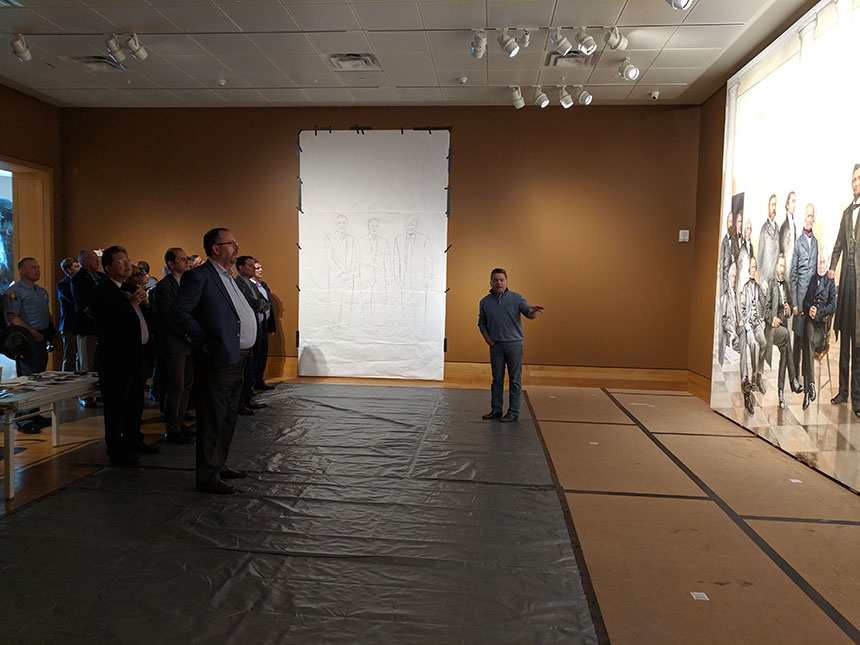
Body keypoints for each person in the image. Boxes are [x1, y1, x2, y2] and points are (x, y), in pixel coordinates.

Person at [170, 228, 256, 495]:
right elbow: (179, 311)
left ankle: (219, 464)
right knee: (213, 417)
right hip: (218, 359)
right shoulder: (200, 276)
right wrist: (203, 341)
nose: (236, 247)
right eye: (231, 243)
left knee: (228, 417)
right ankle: (207, 475)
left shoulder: (228, 277)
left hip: (237, 358)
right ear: (216, 248)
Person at [89, 246, 159, 465]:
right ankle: (117, 449)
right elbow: (111, 323)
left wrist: (146, 304)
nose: (128, 264)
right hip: (115, 358)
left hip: (137, 355)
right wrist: (133, 304)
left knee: (135, 402)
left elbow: (149, 319)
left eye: (128, 260)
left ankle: (134, 440)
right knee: (116, 406)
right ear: (108, 268)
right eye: (121, 261)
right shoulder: (101, 291)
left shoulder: (131, 287)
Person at [477, 268, 544, 422]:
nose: (499, 282)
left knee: (514, 380)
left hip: (514, 346)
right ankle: (496, 410)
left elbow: (528, 313)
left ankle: (513, 411)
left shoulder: (517, 298)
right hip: (496, 347)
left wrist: (533, 311)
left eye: (501, 280)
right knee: (497, 379)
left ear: (507, 281)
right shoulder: (485, 302)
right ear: (491, 282)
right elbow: (481, 323)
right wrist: (488, 339)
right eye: (495, 280)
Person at [3, 257, 53, 433]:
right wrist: (32, 334)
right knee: (28, 380)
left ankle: (34, 414)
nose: (37, 270)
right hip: (26, 340)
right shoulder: (15, 292)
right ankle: (23, 420)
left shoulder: (40, 291)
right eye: (33, 267)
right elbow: (12, 317)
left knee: (39, 378)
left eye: (38, 267)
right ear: (22, 271)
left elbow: (46, 313)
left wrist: (51, 331)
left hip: (41, 337)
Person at [152, 247, 195, 445]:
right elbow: (168, 315)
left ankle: (180, 422)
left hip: (187, 342)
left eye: (187, 259)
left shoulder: (186, 284)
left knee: (185, 385)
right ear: (171, 264)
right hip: (173, 342)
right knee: (175, 386)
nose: (187, 262)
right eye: (183, 259)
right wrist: (186, 333)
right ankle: (172, 428)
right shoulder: (164, 286)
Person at [829, 163, 860, 415]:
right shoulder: (847, 212)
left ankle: (858, 399)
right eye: (853, 179)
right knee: (846, 338)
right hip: (846, 284)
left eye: (859, 178)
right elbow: (839, 244)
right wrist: (831, 267)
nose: (856, 183)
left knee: (858, 342)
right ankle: (843, 391)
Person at [802, 250, 836, 410]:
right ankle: (811, 385)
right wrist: (810, 310)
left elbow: (833, 306)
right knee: (807, 338)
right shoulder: (813, 278)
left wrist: (819, 313)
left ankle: (808, 388)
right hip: (810, 322)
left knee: (807, 343)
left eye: (824, 262)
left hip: (821, 327)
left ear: (828, 263)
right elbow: (805, 302)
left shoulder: (830, 281)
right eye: (820, 262)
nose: (821, 265)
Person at [234, 255, 269, 414]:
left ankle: (248, 398)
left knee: (252, 366)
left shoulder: (252, 284)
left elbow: (264, 302)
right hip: (247, 331)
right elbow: (253, 303)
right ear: (240, 267)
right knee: (244, 370)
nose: (253, 269)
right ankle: (241, 402)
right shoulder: (239, 283)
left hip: (258, 327)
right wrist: (260, 305)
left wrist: (260, 305)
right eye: (249, 266)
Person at [767, 254, 802, 407]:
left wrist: (788, 310)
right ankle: (793, 379)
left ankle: (781, 392)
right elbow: (765, 309)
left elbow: (787, 312)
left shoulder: (786, 285)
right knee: (787, 336)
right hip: (772, 328)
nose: (782, 268)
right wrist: (772, 319)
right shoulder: (770, 283)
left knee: (785, 351)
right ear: (776, 266)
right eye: (780, 265)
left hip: (783, 328)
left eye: (784, 266)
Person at [71, 249, 105, 406]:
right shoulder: (78, 278)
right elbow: (87, 300)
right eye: (93, 259)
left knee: (99, 361)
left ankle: (99, 391)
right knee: (87, 361)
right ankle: (85, 395)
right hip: (86, 324)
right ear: (83, 261)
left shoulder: (101, 277)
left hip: (101, 326)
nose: (97, 262)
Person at [720, 263, 754, 414]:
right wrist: (731, 329)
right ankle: (745, 382)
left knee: (748, 337)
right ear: (727, 278)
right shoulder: (726, 297)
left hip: (738, 330)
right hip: (731, 335)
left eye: (735, 276)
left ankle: (746, 379)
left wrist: (741, 321)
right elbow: (724, 320)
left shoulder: (735, 295)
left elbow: (738, 314)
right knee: (744, 339)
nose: (733, 279)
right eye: (732, 276)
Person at [790, 204, 818, 389]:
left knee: (808, 338)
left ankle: (807, 379)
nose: (809, 219)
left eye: (812, 216)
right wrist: (794, 303)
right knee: (797, 338)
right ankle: (794, 378)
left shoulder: (815, 242)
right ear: (804, 218)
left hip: (811, 299)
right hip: (800, 298)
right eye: (807, 215)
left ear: (813, 219)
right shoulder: (798, 242)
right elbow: (793, 275)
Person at [741, 256, 768, 396]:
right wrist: (745, 323)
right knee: (753, 344)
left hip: (756, 322)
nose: (753, 270)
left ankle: (758, 374)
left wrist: (765, 291)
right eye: (752, 267)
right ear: (748, 269)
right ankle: (752, 376)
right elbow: (742, 308)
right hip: (748, 324)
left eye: (755, 267)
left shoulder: (758, 287)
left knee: (763, 343)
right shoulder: (745, 288)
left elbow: (764, 302)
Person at [252, 260, 276, 391]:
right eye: (257, 268)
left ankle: (259, 380)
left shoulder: (264, 285)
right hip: (256, 325)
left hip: (265, 324)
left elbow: (269, 307)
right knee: (255, 355)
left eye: (261, 267)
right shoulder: (249, 286)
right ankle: (252, 382)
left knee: (263, 354)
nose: (260, 270)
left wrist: (272, 325)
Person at [56, 256, 80, 372]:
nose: (79, 268)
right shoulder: (63, 284)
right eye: (76, 266)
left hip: (79, 324)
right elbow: (73, 298)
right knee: (70, 354)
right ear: (69, 270)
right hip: (69, 325)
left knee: (80, 355)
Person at [758, 193, 780, 291]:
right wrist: (762, 280)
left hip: (775, 280)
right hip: (766, 282)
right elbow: (760, 257)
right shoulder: (764, 229)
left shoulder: (777, 229)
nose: (774, 208)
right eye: (772, 205)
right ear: (768, 207)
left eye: (775, 205)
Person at [780, 191, 797, 279]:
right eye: (792, 202)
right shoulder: (784, 227)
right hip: (786, 271)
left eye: (795, 202)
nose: (794, 205)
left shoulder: (793, 225)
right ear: (787, 205)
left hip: (793, 270)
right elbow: (783, 251)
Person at [719, 212, 734, 297]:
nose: (731, 224)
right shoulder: (724, 243)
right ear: (726, 223)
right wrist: (722, 292)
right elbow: (721, 269)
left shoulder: (735, 241)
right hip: (725, 288)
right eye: (730, 221)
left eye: (732, 222)